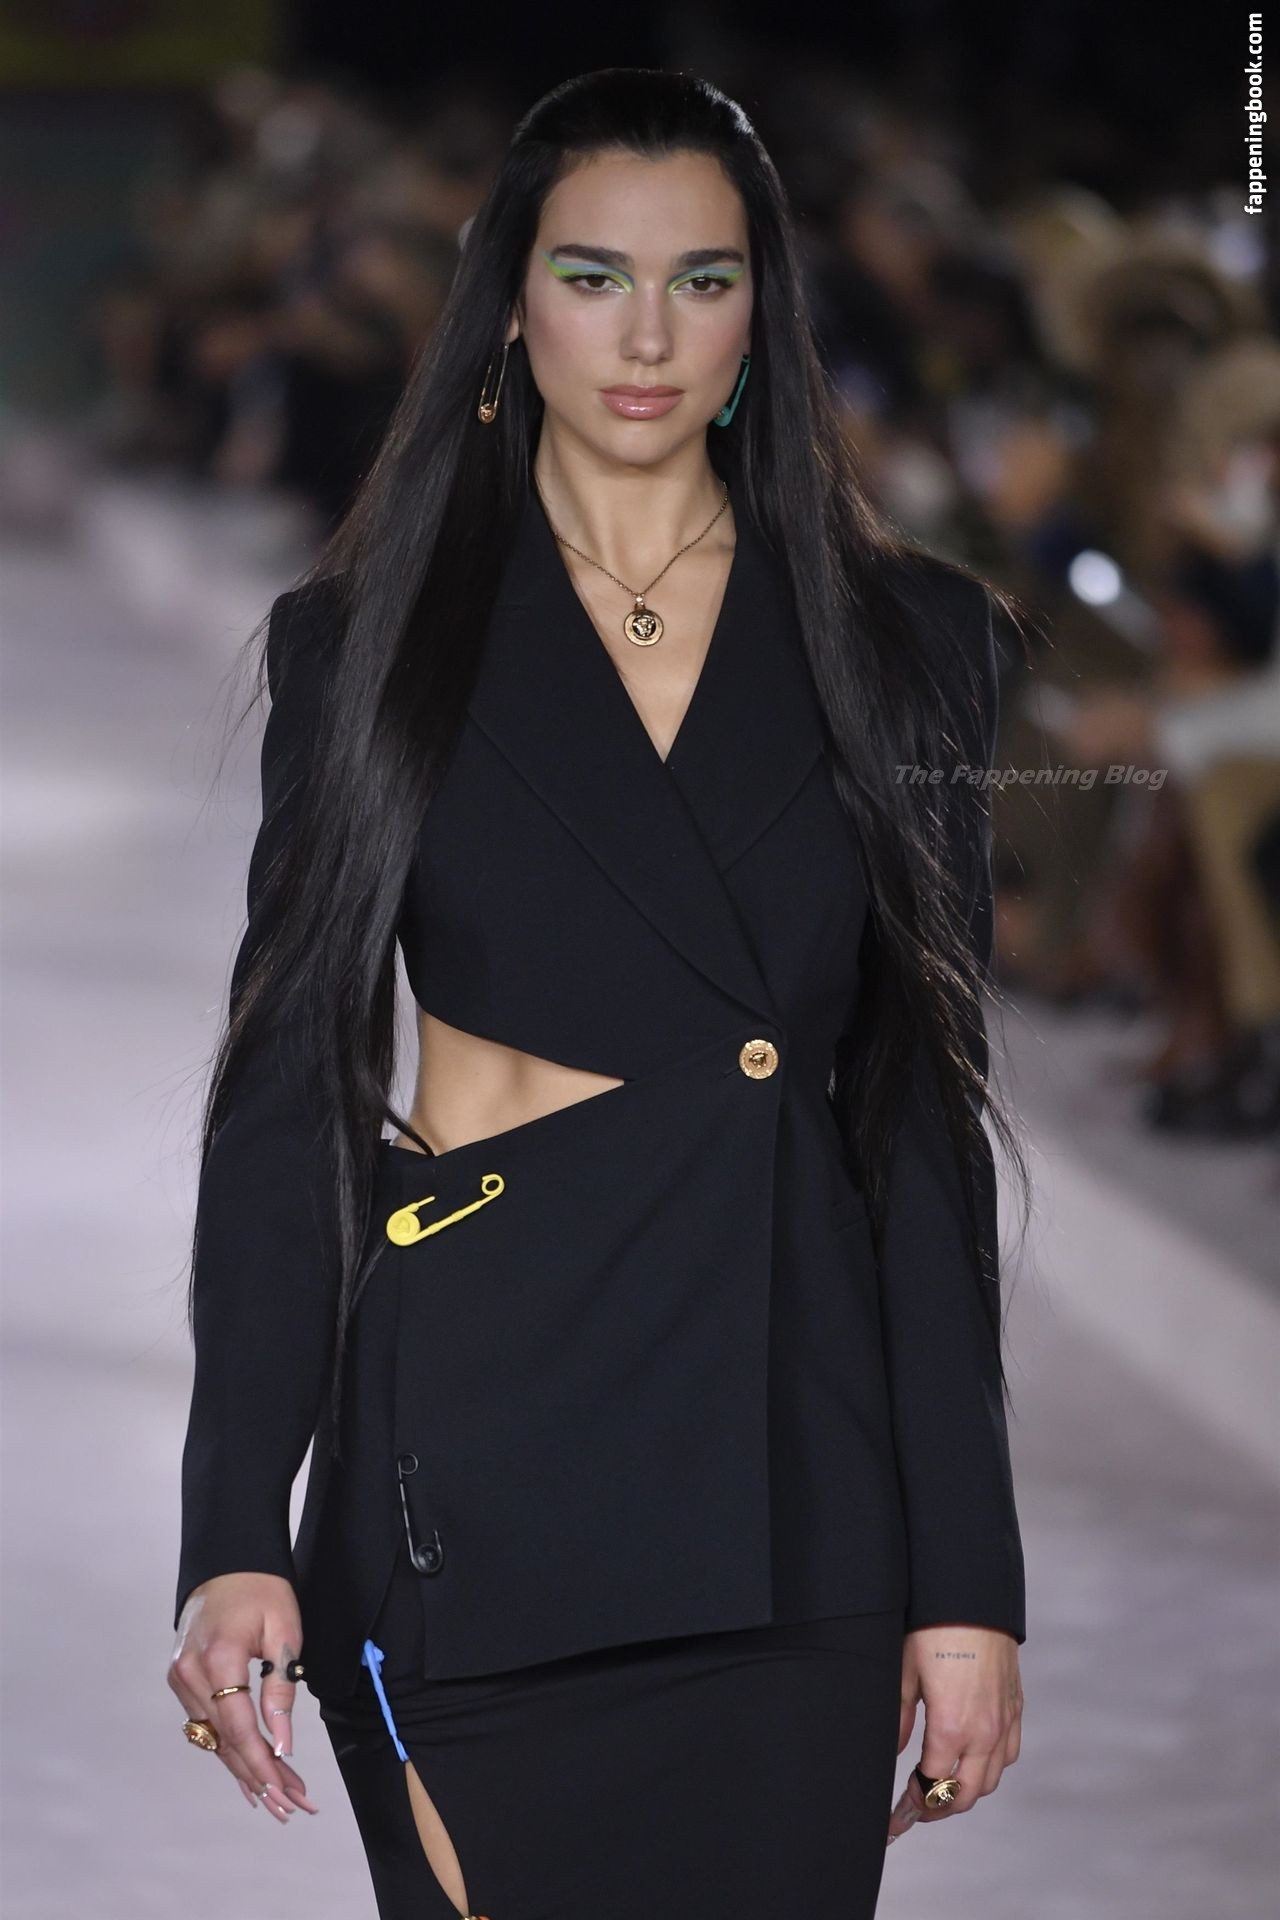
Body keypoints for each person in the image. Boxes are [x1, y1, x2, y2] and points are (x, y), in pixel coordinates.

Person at [166, 68, 1029, 1920]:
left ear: (762, 312)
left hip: (794, 1481)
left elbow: (919, 1121)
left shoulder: (910, 646)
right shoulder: (372, 645)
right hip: (481, 1456)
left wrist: (969, 1584)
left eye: (702, 280)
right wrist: (233, 1527)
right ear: (510, 302)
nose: (647, 336)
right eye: (592, 276)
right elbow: (288, 1093)